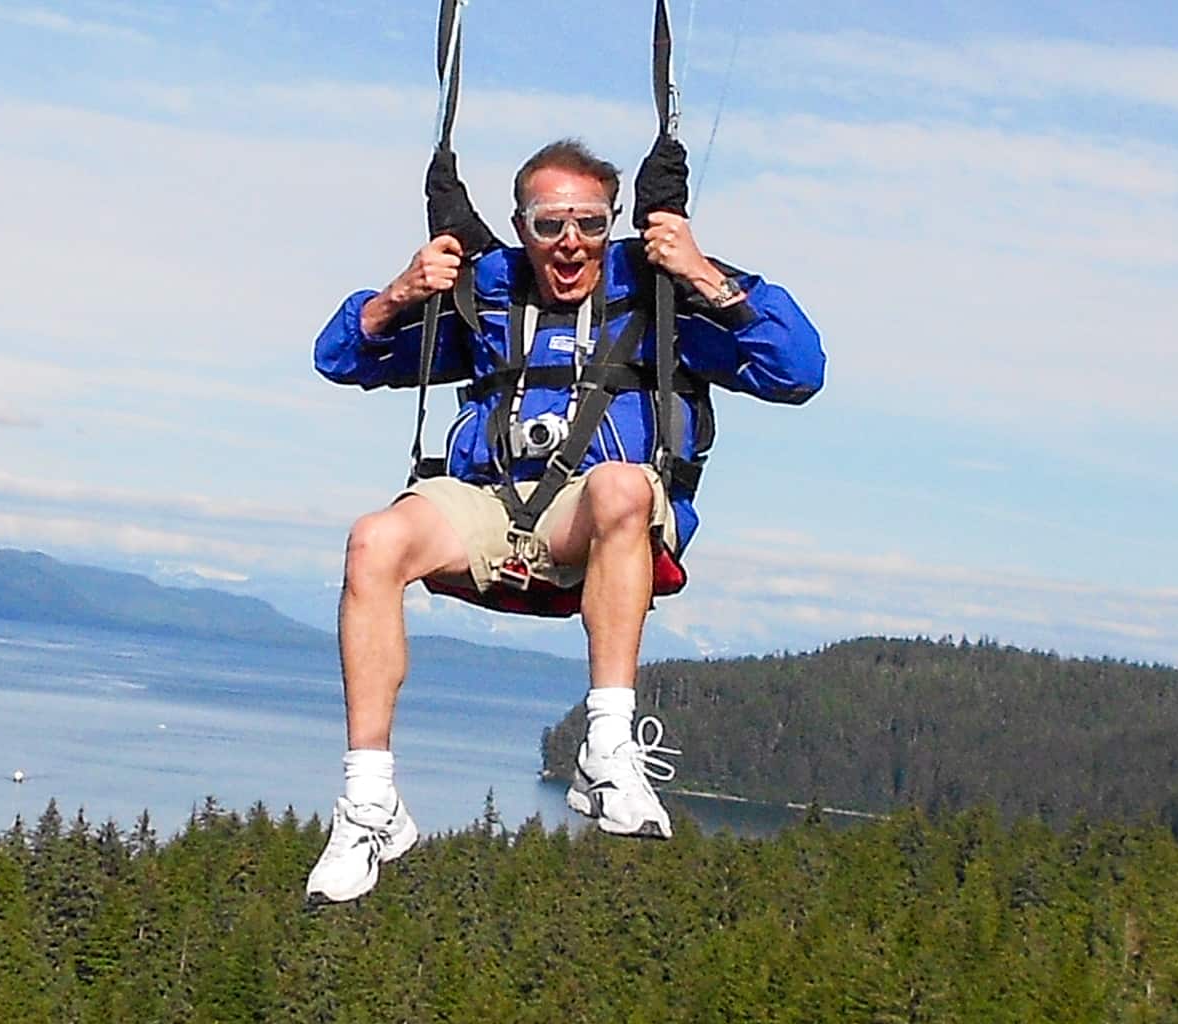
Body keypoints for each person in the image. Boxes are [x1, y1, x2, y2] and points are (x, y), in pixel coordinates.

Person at [304, 138, 823, 904]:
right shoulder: (491, 299)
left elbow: (799, 371)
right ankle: (369, 803)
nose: (570, 242)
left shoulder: (661, 291)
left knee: (619, 486)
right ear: (521, 228)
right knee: (372, 539)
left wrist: (704, 274)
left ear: (613, 223)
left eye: (588, 222)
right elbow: (341, 356)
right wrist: (400, 294)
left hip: (597, 519)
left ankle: (608, 744)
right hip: (493, 506)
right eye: (549, 226)